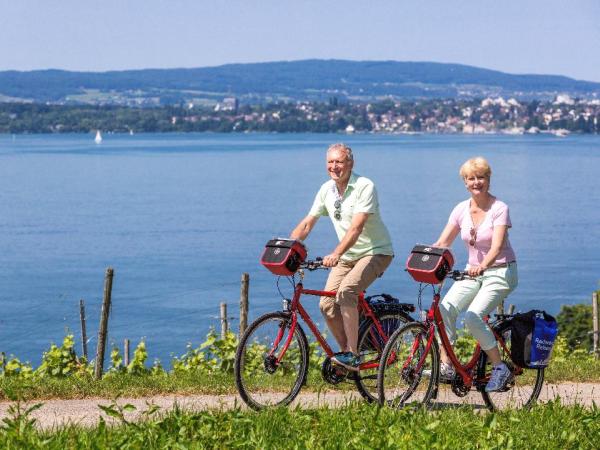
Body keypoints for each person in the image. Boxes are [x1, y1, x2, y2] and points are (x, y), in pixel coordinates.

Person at [290, 143, 394, 371]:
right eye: (330, 162)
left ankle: (353, 354)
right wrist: (290, 246)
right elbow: (308, 222)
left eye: (339, 162)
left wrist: (336, 253)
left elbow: (356, 227)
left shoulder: (364, 186)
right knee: (327, 304)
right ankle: (346, 352)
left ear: (350, 164)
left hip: (376, 251)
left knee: (346, 292)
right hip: (349, 256)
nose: (334, 167)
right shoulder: (326, 189)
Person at [432, 156, 518, 392]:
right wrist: (426, 256)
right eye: (471, 178)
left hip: (500, 272)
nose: (476, 182)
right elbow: (443, 241)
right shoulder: (461, 209)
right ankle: (447, 363)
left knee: (472, 317)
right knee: (444, 309)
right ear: (465, 182)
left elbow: (497, 247)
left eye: (481, 177)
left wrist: (483, 265)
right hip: (473, 274)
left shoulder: (500, 208)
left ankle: (500, 367)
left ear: (489, 179)